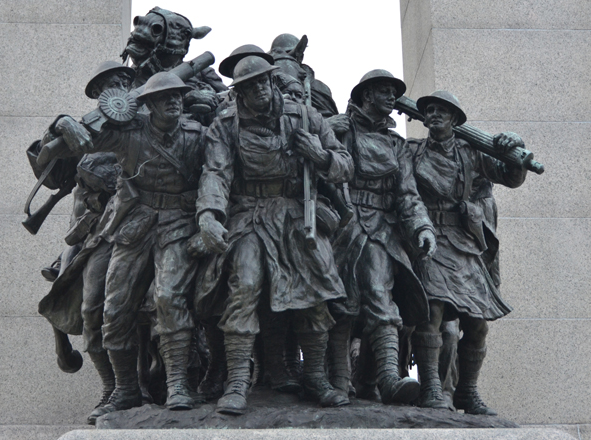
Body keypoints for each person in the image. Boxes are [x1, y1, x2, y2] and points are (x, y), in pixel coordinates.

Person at [195, 54, 354, 415]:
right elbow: (215, 173)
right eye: (250, 87)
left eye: (263, 83)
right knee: (245, 285)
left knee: (315, 291)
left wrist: (319, 155)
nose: (260, 91)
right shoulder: (226, 125)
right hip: (248, 214)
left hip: (297, 215)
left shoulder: (305, 115)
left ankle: (315, 376)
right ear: (239, 93)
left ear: (271, 81)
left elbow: (345, 165)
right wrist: (209, 214)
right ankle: (236, 381)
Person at [54, 72, 206, 415]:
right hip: (131, 227)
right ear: (148, 104)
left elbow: (216, 173)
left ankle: (179, 384)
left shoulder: (198, 135)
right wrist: (62, 123)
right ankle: (123, 390)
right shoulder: (127, 133)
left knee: (168, 298)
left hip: (178, 225)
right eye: (166, 97)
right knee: (113, 309)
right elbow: (80, 146)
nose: (175, 101)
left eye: (178, 96)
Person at [407, 90, 527, 415]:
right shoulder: (413, 153)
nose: (434, 115)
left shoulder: (470, 153)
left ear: (455, 119)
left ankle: (467, 392)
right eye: (429, 110)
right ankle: (431, 387)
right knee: (429, 315)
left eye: (441, 111)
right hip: (429, 239)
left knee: (477, 325)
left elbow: (510, 176)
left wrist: (514, 148)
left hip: (463, 244)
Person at [328, 70, 436, 404]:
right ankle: (339, 381)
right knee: (338, 303)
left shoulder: (395, 144)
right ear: (366, 95)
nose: (392, 97)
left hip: (380, 229)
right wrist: (325, 133)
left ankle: (387, 378)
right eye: (384, 91)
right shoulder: (339, 129)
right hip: (341, 223)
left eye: (393, 91)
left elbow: (407, 194)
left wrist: (422, 227)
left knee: (380, 294)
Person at [35, 61, 135, 424]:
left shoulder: (150, 118)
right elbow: (47, 166)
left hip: (143, 223)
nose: (119, 86)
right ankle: (112, 387)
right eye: (109, 84)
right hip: (95, 232)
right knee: (91, 308)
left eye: (124, 80)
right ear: (98, 95)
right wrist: (60, 122)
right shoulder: (85, 128)